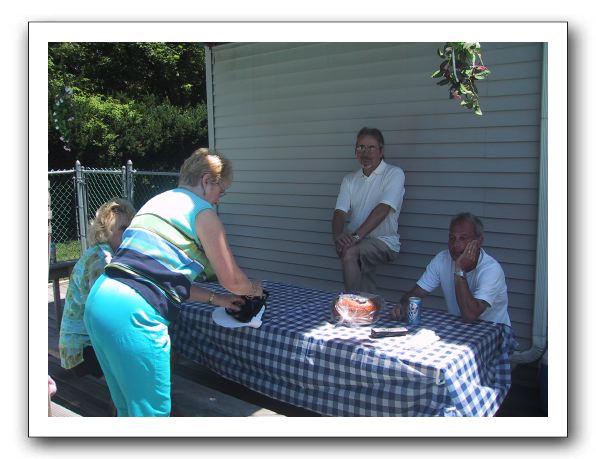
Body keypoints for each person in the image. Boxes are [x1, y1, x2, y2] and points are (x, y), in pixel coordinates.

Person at [83, 148, 263, 417]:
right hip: (134, 314)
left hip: (100, 301)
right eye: (220, 192)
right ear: (206, 180)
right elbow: (232, 279)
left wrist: (220, 300)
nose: (217, 201)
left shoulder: (158, 202)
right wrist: (254, 289)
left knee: (126, 409)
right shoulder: (202, 212)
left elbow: (159, 276)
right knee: (151, 417)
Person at [59, 198, 136, 377]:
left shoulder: (102, 253)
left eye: (132, 229)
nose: (130, 234)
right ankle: (129, 402)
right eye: (123, 229)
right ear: (105, 232)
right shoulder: (102, 258)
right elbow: (105, 310)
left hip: (80, 344)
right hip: (81, 350)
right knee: (142, 349)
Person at [392, 212, 511, 326]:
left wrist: (459, 269)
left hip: (495, 334)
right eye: (452, 238)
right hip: (459, 327)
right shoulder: (442, 259)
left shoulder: (491, 269)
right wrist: (403, 305)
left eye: (463, 238)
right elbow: (418, 292)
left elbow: (470, 315)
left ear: (479, 242)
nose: (455, 245)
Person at [332, 127, 405, 293]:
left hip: (384, 241)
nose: (365, 153)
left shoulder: (394, 173)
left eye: (371, 147)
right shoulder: (349, 179)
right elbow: (339, 212)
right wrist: (338, 236)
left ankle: (350, 307)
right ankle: (365, 309)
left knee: (350, 253)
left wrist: (356, 237)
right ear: (355, 152)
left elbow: (383, 209)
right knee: (365, 288)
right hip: (357, 240)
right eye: (361, 147)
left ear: (381, 151)